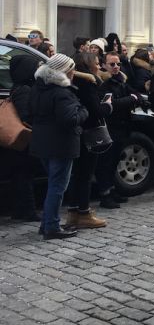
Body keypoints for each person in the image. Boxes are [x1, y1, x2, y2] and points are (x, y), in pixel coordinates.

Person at [28, 54, 89, 239]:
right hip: (61, 144)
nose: (73, 72)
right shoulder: (61, 93)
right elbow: (69, 120)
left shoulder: (38, 88)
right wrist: (83, 111)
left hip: (42, 142)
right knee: (57, 186)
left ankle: (47, 223)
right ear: (63, 71)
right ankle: (52, 226)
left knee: (53, 184)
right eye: (71, 69)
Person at [67, 52, 112, 229]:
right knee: (84, 174)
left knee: (76, 174)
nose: (99, 65)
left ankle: (74, 211)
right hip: (88, 132)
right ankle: (83, 212)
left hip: (76, 132)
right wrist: (107, 105)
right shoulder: (87, 83)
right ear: (88, 64)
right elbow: (95, 110)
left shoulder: (72, 81)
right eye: (97, 62)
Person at [96, 52, 139, 209]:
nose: (116, 67)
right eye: (112, 64)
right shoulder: (104, 84)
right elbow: (110, 105)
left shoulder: (121, 80)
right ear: (104, 65)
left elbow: (135, 94)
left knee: (114, 161)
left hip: (122, 126)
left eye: (118, 64)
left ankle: (112, 190)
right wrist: (131, 100)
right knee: (106, 162)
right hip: (109, 127)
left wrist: (133, 98)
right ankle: (104, 194)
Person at [6, 55, 42, 221]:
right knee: (24, 175)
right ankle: (26, 211)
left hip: (20, 140)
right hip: (23, 138)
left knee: (21, 175)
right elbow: (26, 116)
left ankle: (21, 210)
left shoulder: (19, 87)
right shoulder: (24, 90)